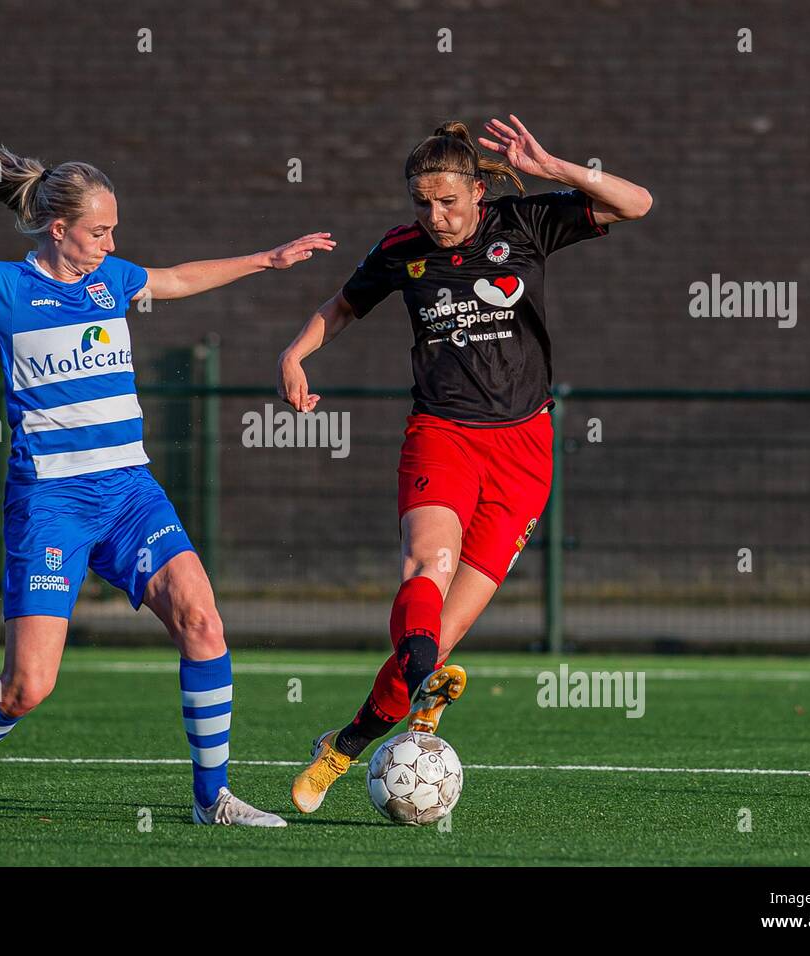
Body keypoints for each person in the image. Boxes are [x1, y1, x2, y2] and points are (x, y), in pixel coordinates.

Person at [0, 143, 336, 826]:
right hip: (51, 504)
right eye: (98, 231)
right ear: (58, 229)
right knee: (26, 689)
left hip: (128, 493)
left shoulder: (110, 280)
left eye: (114, 230)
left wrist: (265, 260)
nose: (110, 244)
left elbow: (177, 278)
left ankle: (213, 800)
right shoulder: (5, 289)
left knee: (203, 623)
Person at [277, 116, 651, 812]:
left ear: (479, 191)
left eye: (448, 200)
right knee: (428, 571)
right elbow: (342, 307)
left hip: (524, 453)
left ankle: (346, 744)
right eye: (422, 202)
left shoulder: (528, 224)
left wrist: (556, 167)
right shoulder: (400, 250)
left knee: (436, 639)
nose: (435, 215)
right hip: (442, 435)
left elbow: (638, 204)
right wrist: (295, 353)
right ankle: (413, 699)